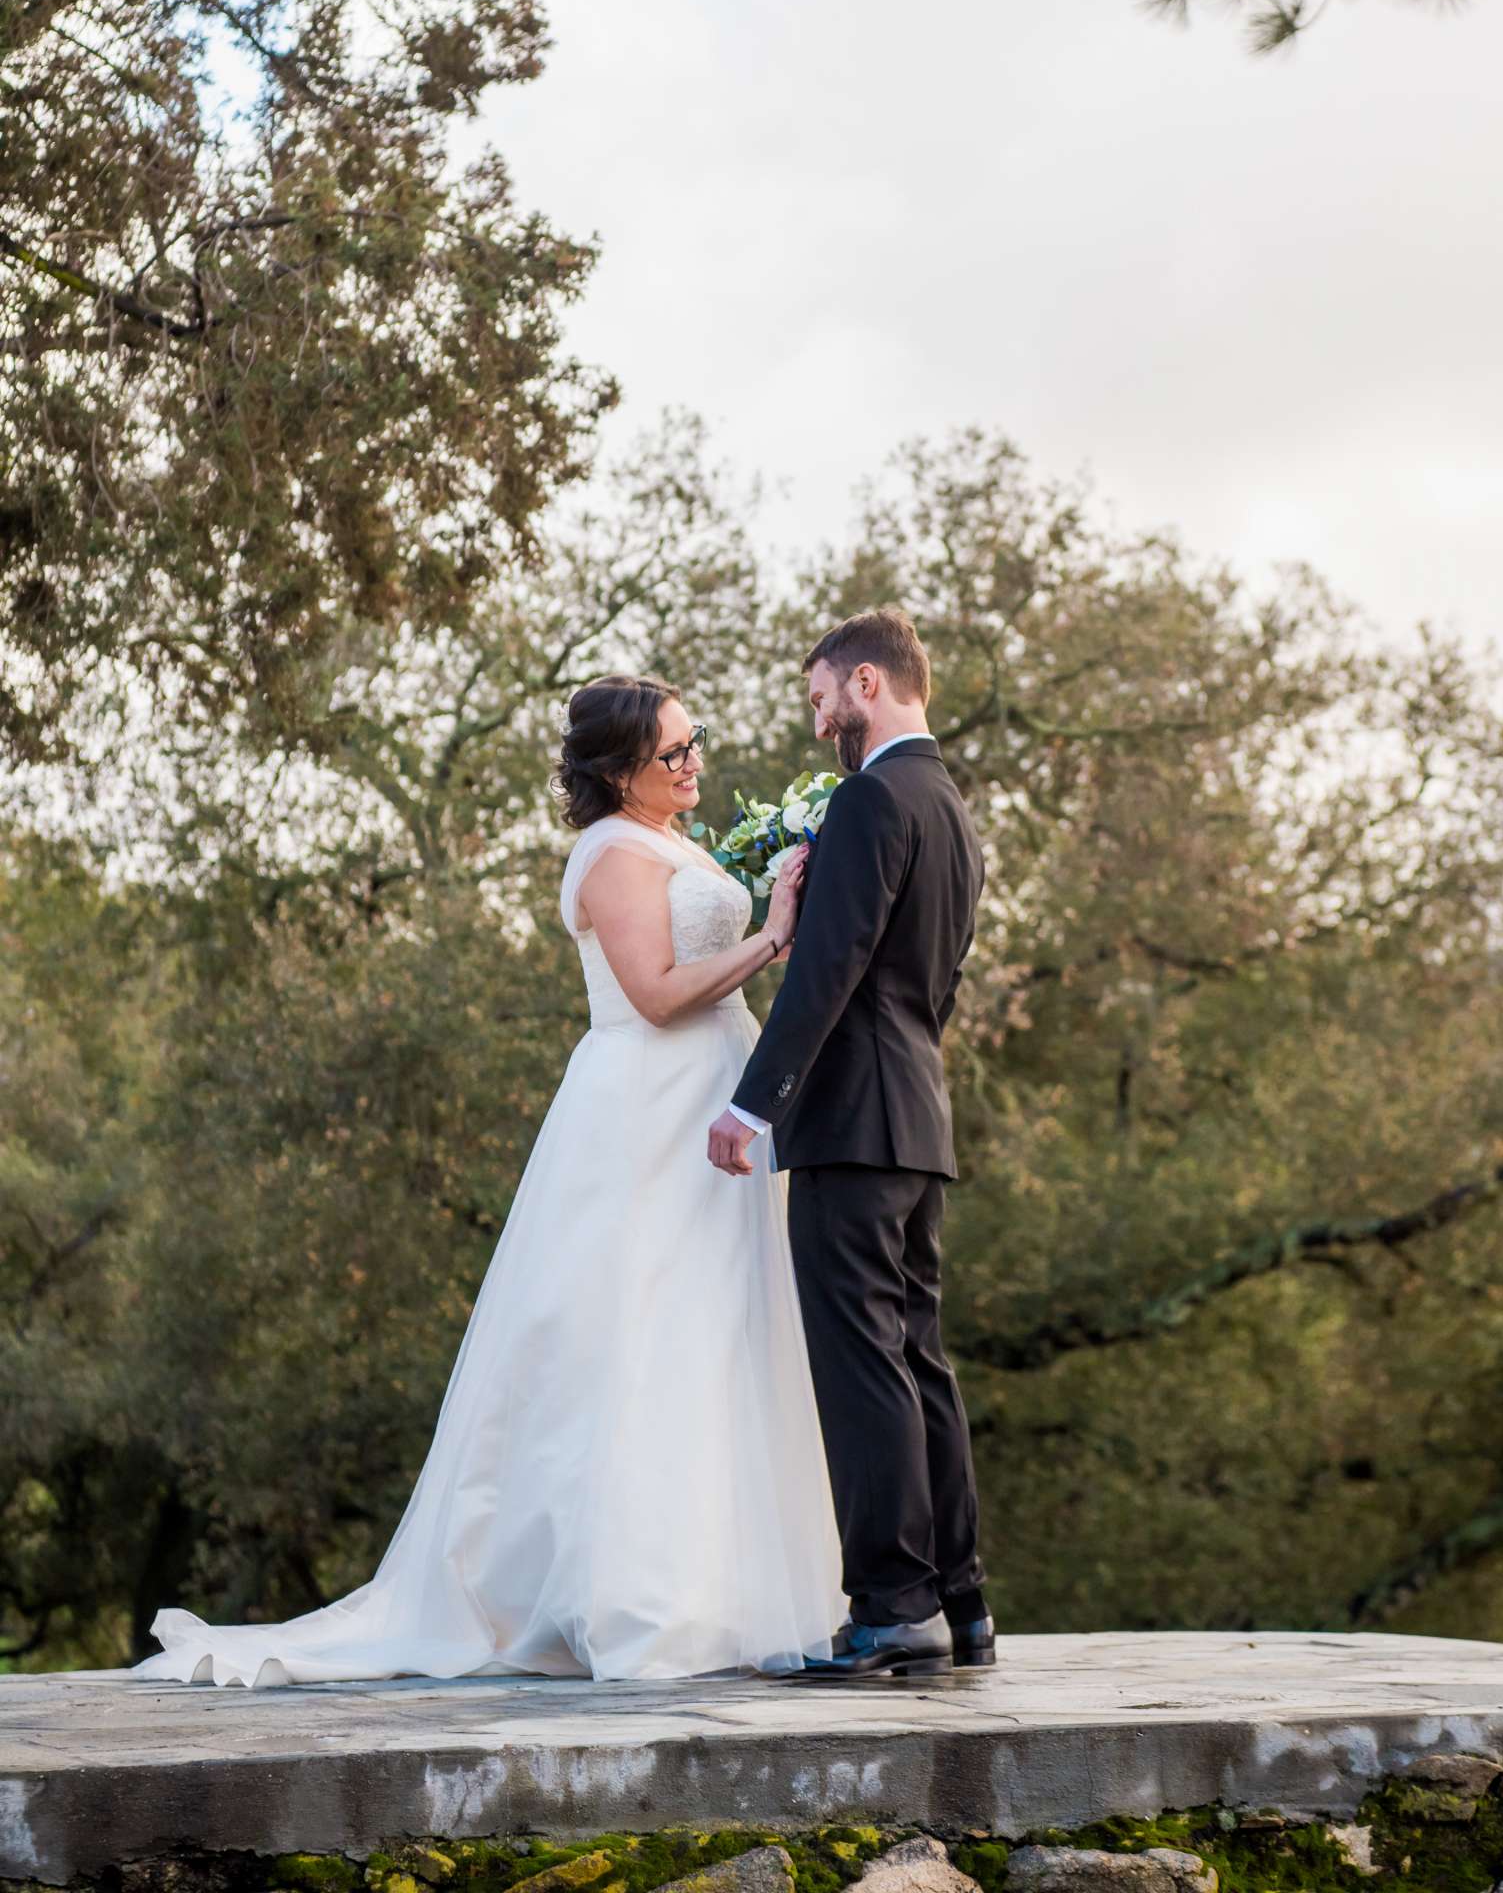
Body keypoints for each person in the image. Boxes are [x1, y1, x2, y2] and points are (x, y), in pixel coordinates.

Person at [128, 675, 841, 1686]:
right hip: (649, 1106)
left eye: (694, 744)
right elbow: (655, 994)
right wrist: (773, 935)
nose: (692, 765)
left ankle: (725, 1595)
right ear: (613, 771)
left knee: (720, 1328)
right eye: (671, 754)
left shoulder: (675, 844)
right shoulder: (609, 854)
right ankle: (633, 1600)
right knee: (642, 1333)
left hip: (715, 1096)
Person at [707, 607, 992, 1682]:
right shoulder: (950, 808)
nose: (819, 716)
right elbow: (940, 983)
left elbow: (828, 970)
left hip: (851, 1123)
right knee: (919, 1358)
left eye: (823, 696)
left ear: (867, 683)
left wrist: (753, 1105)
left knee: (865, 1364)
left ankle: (891, 1609)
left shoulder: (873, 797)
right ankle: (960, 1606)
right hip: (916, 1118)